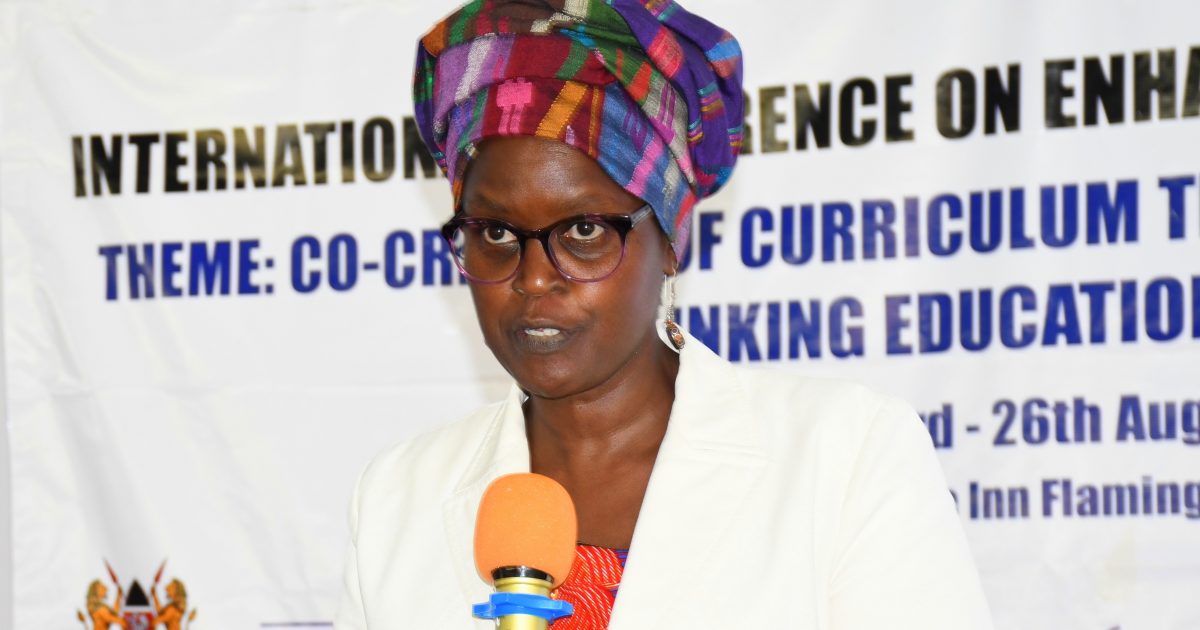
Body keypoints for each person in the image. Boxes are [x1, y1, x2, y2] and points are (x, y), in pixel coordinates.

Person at [336, 1, 993, 628]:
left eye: (585, 230)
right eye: (497, 234)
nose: (533, 278)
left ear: (670, 243)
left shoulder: (845, 456)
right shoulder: (396, 498)